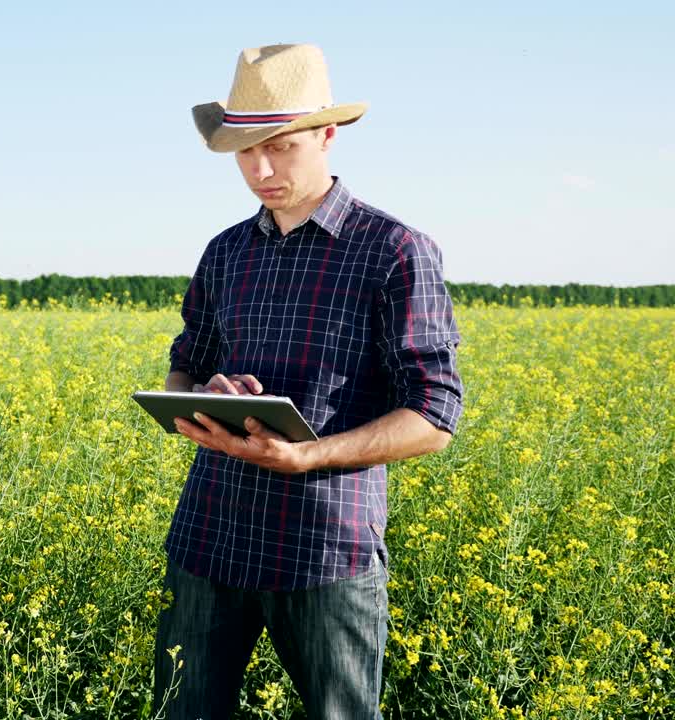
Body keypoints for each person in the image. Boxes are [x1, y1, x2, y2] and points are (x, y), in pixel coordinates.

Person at [152, 43, 464, 719]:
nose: (261, 170)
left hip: (324, 548)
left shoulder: (395, 251)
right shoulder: (225, 251)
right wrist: (200, 396)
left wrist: (305, 456)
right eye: (244, 152)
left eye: (282, 147)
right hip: (209, 536)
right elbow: (187, 364)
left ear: (328, 134)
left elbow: (435, 416)